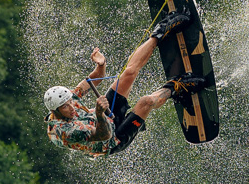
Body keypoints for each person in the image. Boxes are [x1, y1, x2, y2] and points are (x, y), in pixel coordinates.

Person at [44, 11, 205, 157]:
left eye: (70, 102)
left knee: (128, 73)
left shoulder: (69, 98)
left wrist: (101, 64)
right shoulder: (65, 132)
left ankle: (161, 31)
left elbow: (96, 78)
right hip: (113, 140)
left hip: (106, 115)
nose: (71, 107)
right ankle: (176, 87)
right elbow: (103, 135)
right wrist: (99, 114)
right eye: (65, 107)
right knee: (145, 102)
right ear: (55, 110)